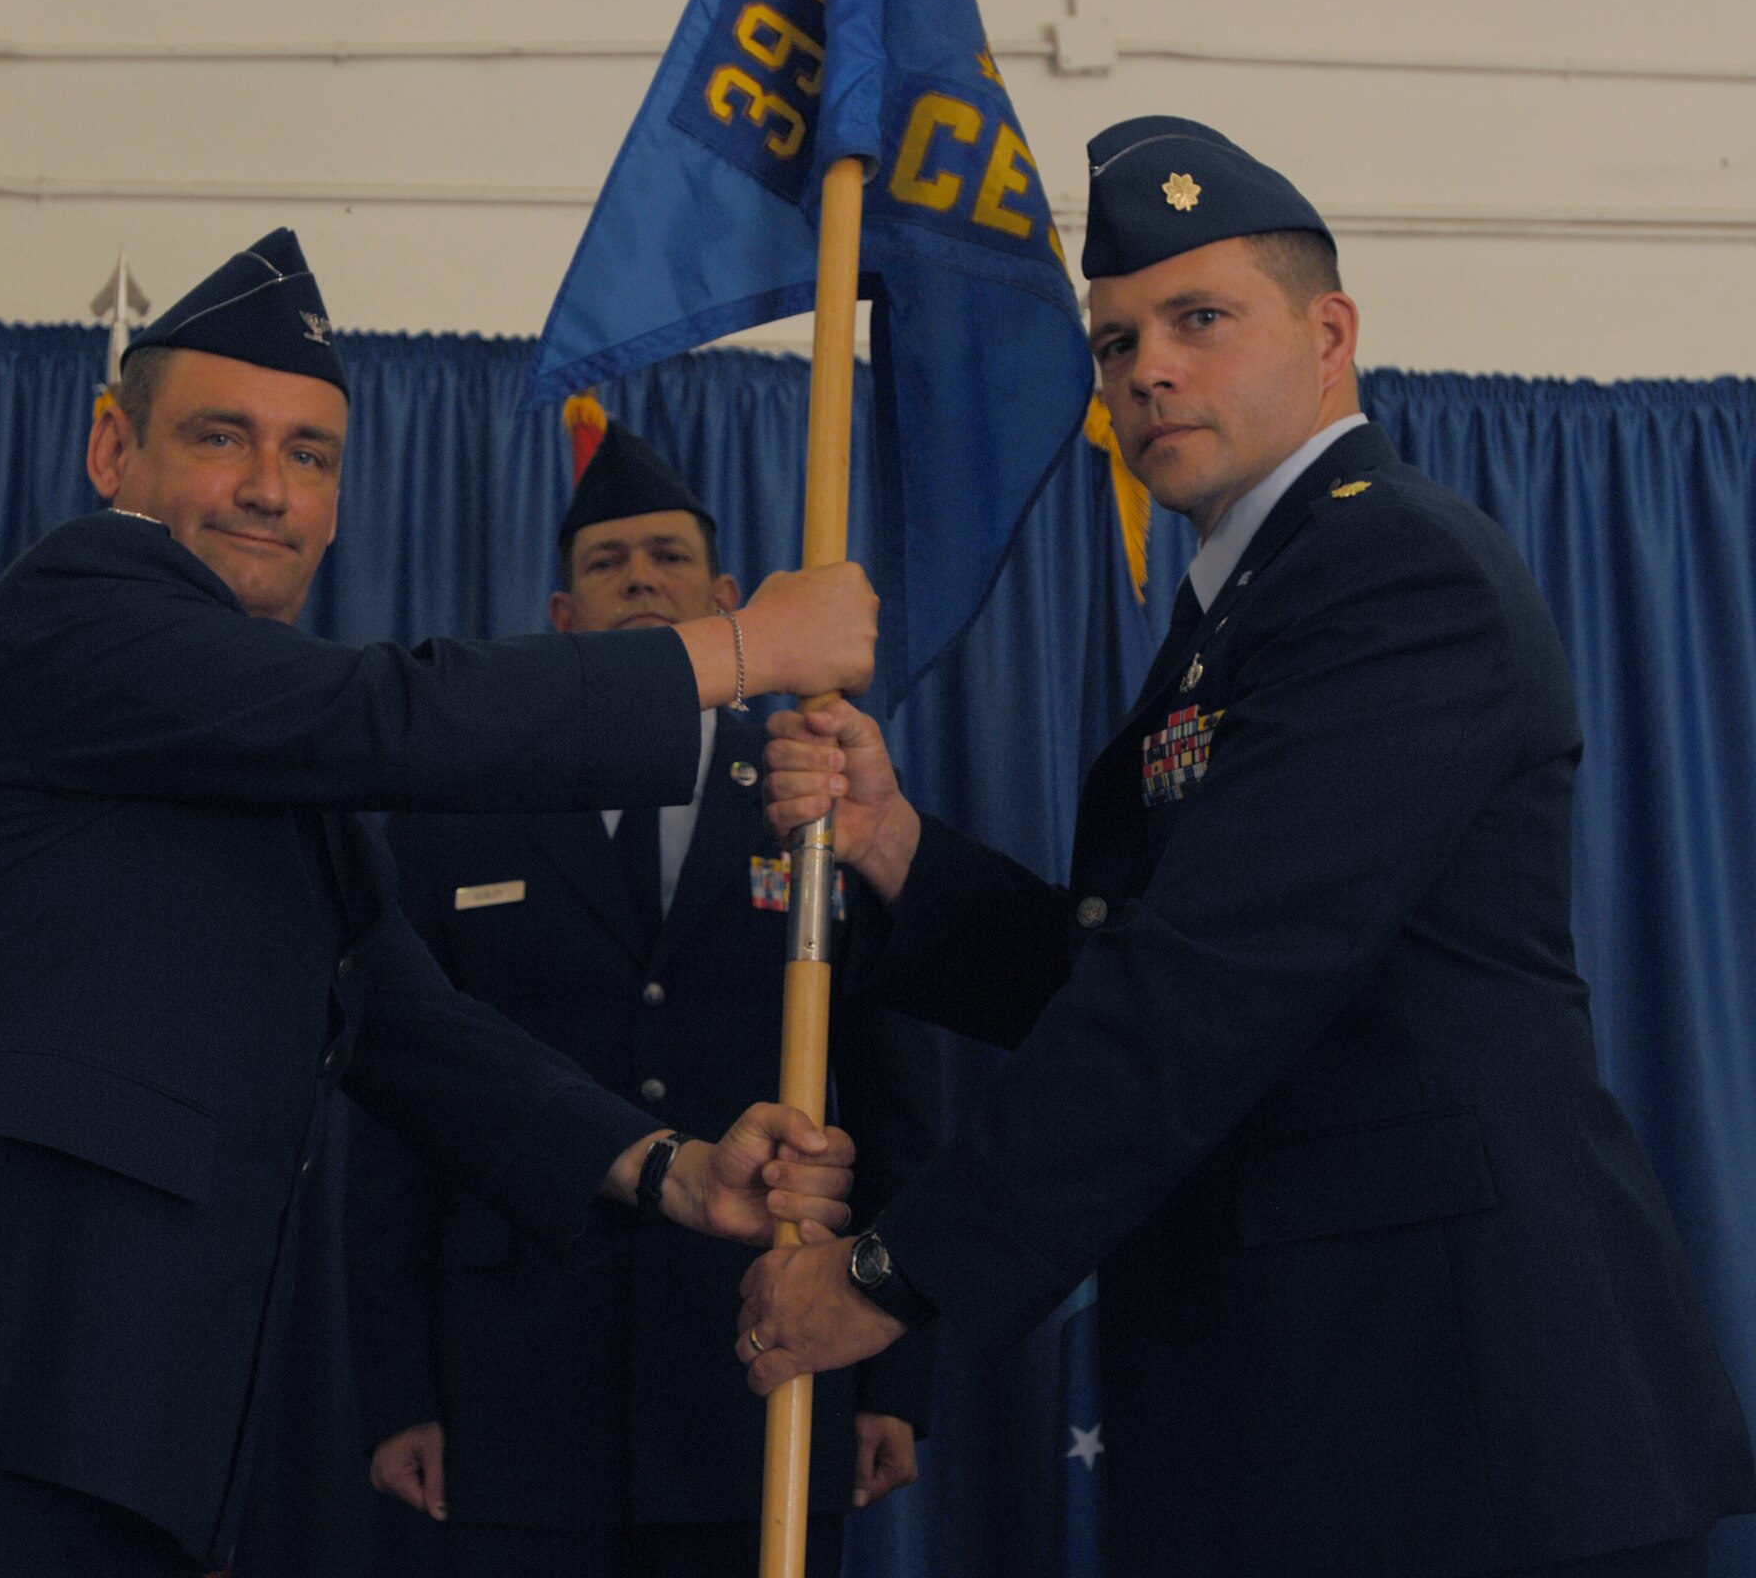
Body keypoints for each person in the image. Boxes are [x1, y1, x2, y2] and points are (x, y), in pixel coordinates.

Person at [0, 229, 881, 1578]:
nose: (269, 490)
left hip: (136, 1426)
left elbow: (407, 1027)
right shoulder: (80, 607)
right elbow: (390, 713)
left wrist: (673, 1171)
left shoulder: (268, 738)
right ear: (117, 453)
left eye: (309, 455)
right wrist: (746, 647)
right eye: (222, 438)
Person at [740, 118, 1756, 1576]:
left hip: (1458, 1428)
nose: (1147, 367)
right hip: (1330, 1413)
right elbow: (1135, 964)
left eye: (1199, 321)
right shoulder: (1260, 600)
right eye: (1115, 343)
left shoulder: (1391, 571)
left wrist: (900, 1272)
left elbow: (1205, 992)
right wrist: (901, 847)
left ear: (1330, 334)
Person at [345, 406, 937, 1578]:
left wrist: (897, 1375)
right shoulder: (458, 811)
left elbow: (894, 1090)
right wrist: (396, 1388)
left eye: (667, 557)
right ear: (562, 618)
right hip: (510, 1381)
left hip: (757, 1363)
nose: (639, 583)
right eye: (606, 565)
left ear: (728, 604)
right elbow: (393, 1118)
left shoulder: (813, 799)